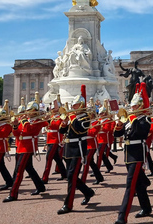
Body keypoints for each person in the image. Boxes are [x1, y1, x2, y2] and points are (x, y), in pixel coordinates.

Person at [113, 82, 152, 224]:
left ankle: (122, 217)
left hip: (137, 155)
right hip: (128, 154)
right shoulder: (130, 120)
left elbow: (139, 133)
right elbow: (118, 134)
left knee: (130, 185)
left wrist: (132, 119)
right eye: (132, 106)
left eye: (135, 106)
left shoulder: (144, 119)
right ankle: (146, 207)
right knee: (138, 184)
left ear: (141, 106)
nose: (132, 108)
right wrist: (118, 126)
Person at [57, 85, 95, 215]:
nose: (73, 108)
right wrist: (63, 123)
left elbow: (80, 129)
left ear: (81, 105)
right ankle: (88, 192)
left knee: (71, 178)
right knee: (70, 176)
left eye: (75, 105)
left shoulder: (85, 117)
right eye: (73, 105)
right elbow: (62, 131)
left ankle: (68, 205)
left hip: (77, 150)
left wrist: (71, 119)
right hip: (68, 149)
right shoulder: (73, 117)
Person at [3, 93, 47, 202]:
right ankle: (40, 186)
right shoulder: (26, 120)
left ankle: (13, 194)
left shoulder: (38, 121)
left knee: (19, 171)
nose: (27, 112)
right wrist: (14, 125)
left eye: (30, 110)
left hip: (28, 148)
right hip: (21, 147)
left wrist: (23, 121)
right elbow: (17, 133)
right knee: (29, 169)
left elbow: (28, 130)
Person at [41, 100, 67, 184]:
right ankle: (64, 174)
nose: (52, 110)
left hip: (55, 140)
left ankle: (45, 178)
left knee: (49, 158)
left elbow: (56, 126)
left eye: (54, 108)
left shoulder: (60, 117)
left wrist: (47, 120)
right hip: (50, 139)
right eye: (52, 108)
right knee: (57, 159)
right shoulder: (51, 117)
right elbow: (45, 125)